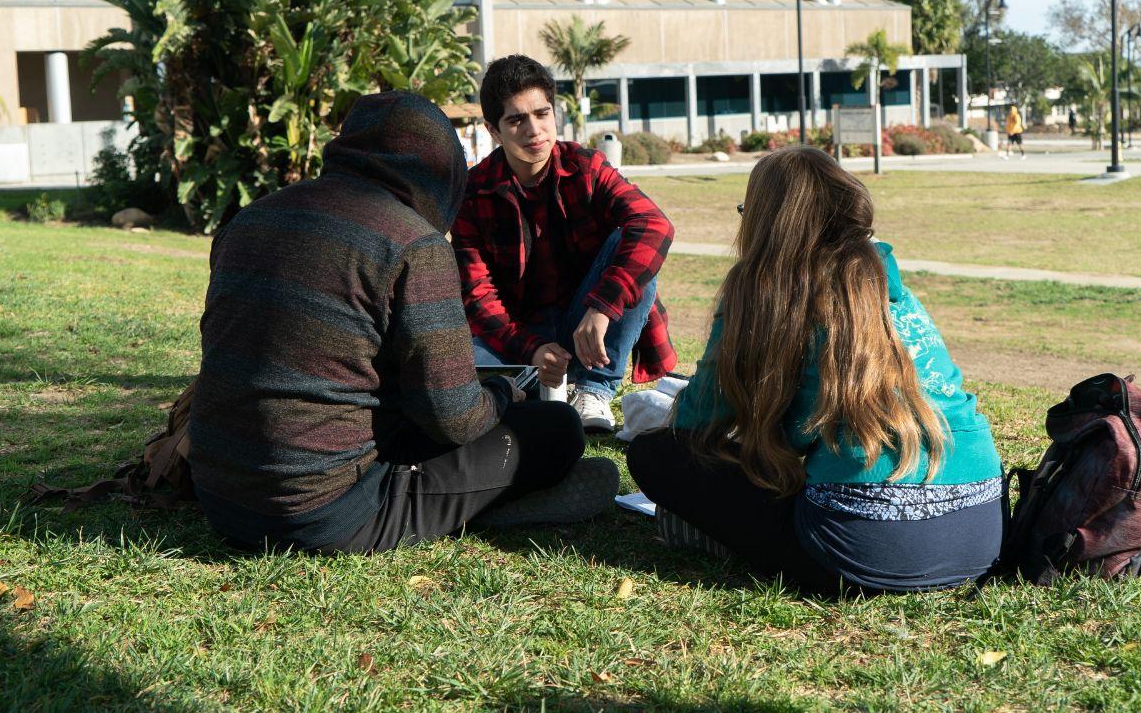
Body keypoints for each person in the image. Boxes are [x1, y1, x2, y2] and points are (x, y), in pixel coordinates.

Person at [189, 90, 615, 554]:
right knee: (556, 429)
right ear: (439, 167)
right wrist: (503, 392)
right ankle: (481, 508)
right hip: (321, 510)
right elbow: (455, 420)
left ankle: (469, 500)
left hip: (216, 491)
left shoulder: (248, 219)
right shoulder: (412, 242)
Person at [627, 145, 1003, 596]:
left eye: (747, 210)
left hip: (861, 553)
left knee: (655, 456)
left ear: (766, 220)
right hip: (983, 533)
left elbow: (697, 419)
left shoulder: (761, 290)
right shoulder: (890, 286)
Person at [452, 55, 676, 433]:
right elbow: (477, 296)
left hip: (590, 323)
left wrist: (603, 307)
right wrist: (532, 349)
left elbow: (654, 225)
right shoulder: (473, 193)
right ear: (493, 129)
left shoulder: (586, 167)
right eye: (516, 119)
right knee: (465, 369)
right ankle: (532, 383)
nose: (534, 130)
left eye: (542, 114)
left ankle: (594, 389)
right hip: (519, 333)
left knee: (634, 243)